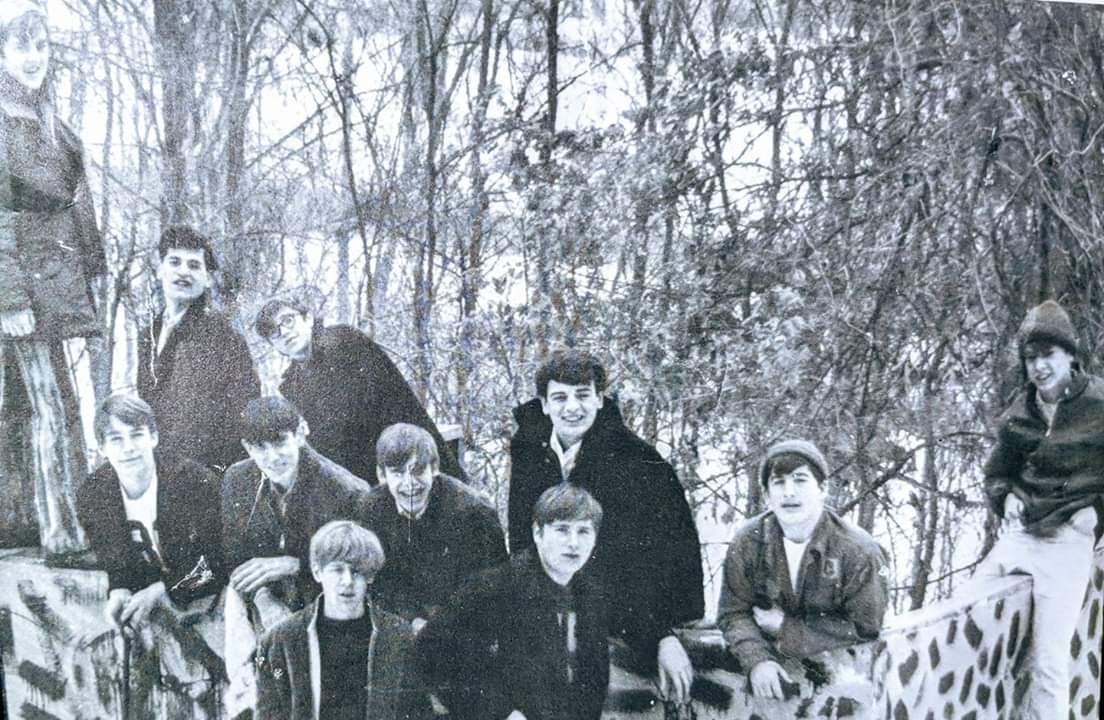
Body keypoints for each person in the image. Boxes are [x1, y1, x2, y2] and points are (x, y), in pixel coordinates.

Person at [508, 349, 703, 704]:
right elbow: (523, 537)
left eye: (583, 395)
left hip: (621, 605)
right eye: (560, 398)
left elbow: (642, 562)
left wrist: (659, 635)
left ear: (600, 399)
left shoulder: (634, 461)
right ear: (545, 405)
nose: (572, 408)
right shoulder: (528, 449)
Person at [0, 0, 106, 557]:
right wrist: (9, 297)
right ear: (1, 51)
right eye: (22, 45)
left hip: (56, 283)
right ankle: (62, 534)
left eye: (41, 45)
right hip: (24, 287)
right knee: (48, 407)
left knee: (55, 400)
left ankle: (36, 523)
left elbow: (75, 204)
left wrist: (95, 269)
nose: (34, 56)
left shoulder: (45, 117)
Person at [973, 299, 1104, 720]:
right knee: (967, 614)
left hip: (1067, 540)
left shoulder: (1098, 403)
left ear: (1070, 355)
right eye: (1031, 358)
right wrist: (1006, 497)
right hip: (1023, 534)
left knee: (1048, 664)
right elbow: (997, 472)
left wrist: (1097, 514)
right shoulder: (1021, 410)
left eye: (1048, 355)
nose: (1039, 367)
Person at [417, 485, 609, 720]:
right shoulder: (493, 588)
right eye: (562, 529)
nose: (573, 543)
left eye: (584, 531)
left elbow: (593, 683)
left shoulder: (591, 595)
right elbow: (431, 653)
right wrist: (501, 712)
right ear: (538, 533)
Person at [717, 440, 889, 700]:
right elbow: (732, 613)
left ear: (822, 489)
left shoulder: (859, 551)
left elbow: (866, 627)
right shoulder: (748, 542)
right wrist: (758, 660)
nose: (789, 493)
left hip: (842, 686)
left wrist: (786, 628)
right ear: (767, 495)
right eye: (779, 482)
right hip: (771, 684)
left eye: (800, 480)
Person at [253, 295, 462, 484]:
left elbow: (353, 419)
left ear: (307, 318)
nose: (284, 332)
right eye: (274, 332)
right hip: (366, 474)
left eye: (288, 320)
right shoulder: (292, 383)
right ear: (273, 345)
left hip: (406, 454)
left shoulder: (341, 341)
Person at [254, 520, 431, 720]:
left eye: (357, 571)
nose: (347, 581)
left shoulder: (398, 636)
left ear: (370, 576)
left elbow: (418, 712)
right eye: (337, 570)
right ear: (317, 572)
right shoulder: (280, 640)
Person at [75, 395, 222, 628]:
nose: (129, 448)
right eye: (116, 439)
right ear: (102, 447)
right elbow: (115, 562)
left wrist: (164, 590)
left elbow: (220, 563)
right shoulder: (94, 494)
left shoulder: (193, 481)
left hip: (210, 597)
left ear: (153, 437)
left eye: (136, 435)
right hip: (152, 604)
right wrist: (119, 589)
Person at [222, 396, 373, 621]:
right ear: (247, 447)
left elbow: (360, 565)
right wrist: (263, 600)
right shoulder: (236, 479)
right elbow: (234, 554)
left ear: (300, 434)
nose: (272, 457)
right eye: (260, 447)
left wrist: (295, 564)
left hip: (327, 603)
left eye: (280, 442)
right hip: (264, 602)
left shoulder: (348, 491)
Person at [360, 422, 505, 628]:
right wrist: (411, 621)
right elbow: (378, 583)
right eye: (398, 473)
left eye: (418, 470)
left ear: (434, 467)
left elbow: (489, 589)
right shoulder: (371, 509)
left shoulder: (473, 514)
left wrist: (438, 627)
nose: (410, 483)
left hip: (462, 625)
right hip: (401, 623)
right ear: (382, 475)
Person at [136, 226, 256, 472]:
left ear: (207, 279)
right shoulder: (148, 336)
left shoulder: (224, 337)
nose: (183, 272)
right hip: (162, 471)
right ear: (159, 270)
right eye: (174, 262)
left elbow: (242, 417)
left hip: (207, 473)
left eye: (194, 265)